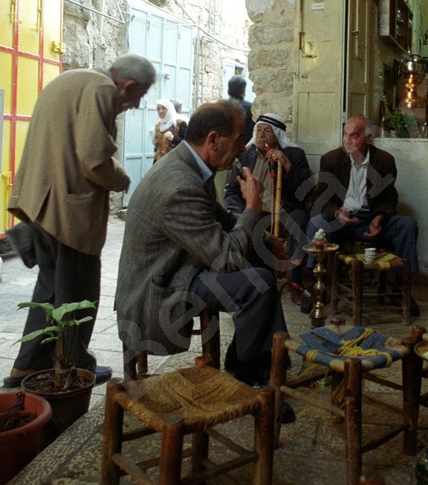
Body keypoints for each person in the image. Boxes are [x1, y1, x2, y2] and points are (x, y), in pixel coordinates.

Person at [4, 54, 156, 388]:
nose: (133, 105)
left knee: (50, 288)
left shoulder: (74, 79)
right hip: (67, 210)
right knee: (77, 292)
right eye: (137, 98)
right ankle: (73, 366)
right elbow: (94, 159)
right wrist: (122, 179)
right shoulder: (101, 88)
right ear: (127, 85)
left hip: (42, 203)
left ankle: (27, 366)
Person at [115, 101, 291, 390]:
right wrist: (253, 208)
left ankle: (258, 362)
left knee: (260, 264)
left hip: (182, 265)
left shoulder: (193, 164)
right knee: (257, 283)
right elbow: (228, 258)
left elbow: (222, 219)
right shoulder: (180, 185)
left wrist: (268, 239)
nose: (241, 150)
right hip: (160, 287)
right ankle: (250, 374)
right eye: (237, 141)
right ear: (213, 140)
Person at [306, 114, 420, 316]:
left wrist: (378, 219)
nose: (348, 140)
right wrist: (337, 213)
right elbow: (321, 200)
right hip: (339, 221)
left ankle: (401, 289)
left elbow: (388, 197)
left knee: (407, 225)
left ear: (368, 138)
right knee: (316, 223)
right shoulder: (331, 160)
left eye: (355, 136)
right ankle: (317, 286)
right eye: (345, 135)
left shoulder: (384, 161)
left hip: (370, 218)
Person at [224, 113, 311, 310]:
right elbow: (231, 191)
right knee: (241, 225)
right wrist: (241, 212)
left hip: (284, 213)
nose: (261, 134)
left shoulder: (295, 154)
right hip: (256, 213)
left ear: (278, 135)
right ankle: (251, 284)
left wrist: (287, 165)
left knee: (299, 219)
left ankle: (295, 282)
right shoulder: (246, 155)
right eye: (259, 130)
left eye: (267, 130)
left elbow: (304, 194)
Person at [151, 98, 183, 162]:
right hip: (160, 163)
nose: (160, 111)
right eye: (158, 109)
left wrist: (173, 139)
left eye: (163, 108)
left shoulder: (180, 124)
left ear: (169, 109)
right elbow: (156, 145)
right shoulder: (158, 125)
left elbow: (187, 145)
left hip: (174, 164)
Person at [227, 74, 254, 141]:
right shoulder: (251, 108)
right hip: (245, 147)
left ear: (228, 91)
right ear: (244, 92)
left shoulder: (219, 107)